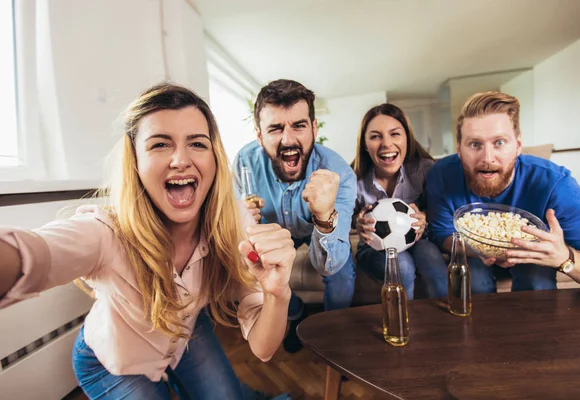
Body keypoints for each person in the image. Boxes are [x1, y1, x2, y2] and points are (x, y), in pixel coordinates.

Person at [0, 83, 296, 400]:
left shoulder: (235, 224)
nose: (181, 160)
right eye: (159, 145)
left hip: (186, 332)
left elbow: (264, 351)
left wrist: (277, 292)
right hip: (111, 360)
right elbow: (33, 254)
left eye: (197, 143)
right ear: (136, 162)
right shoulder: (105, 232)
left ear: (214, 158)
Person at [426, 91, 580, 294]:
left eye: (499, 142)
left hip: (534, 258)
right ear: (459, 148)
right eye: (475, 144)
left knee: (536, 277)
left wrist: (564, 258)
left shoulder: (557, 186)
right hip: (473, 255)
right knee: (474, 278)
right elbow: (441, 233)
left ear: (518, 145)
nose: (487, 158)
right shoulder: (441, 175)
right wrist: (482, 248)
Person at [233, 79, 357, 353]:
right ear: (259, 136)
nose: (288, 140)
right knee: (260, 266)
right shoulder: (244, 162)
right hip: (273, 231)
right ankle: (295, 313)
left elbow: (330, 264)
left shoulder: (341, 174)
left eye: (299, 126)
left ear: (314, 128)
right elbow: (234, 215)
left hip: (314, 232)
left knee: (342, 273)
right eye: (275, 129)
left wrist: (324, 217)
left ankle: (333, 331)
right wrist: (241, 216)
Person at [352, 103, 448, 299]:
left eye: (395, 134)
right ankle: (404, 324)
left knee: (430, 256)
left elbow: (442, 208)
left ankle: (446, 321)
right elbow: (340, 217)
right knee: (401, 264)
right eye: (375, 136)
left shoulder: (425, 169)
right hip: (374, 247)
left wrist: (425, 217)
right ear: (364, 144)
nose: (386, 144)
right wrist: (357, 222)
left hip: (419, 240)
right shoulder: (353, 178)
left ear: (407, 138)